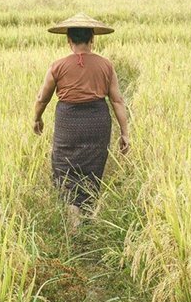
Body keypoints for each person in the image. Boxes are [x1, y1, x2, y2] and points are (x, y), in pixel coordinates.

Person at [32, 13, 131, 226]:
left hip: (68, 121)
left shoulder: (57, 66)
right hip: (97, 120)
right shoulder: (106, 65)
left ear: (69, 40)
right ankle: (90, 216)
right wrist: (125, 133)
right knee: (93, 164)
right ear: (92, 39)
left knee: (64, 164)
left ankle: (73, 218)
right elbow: (117, 101)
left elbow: (43, 98)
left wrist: (37, 119)